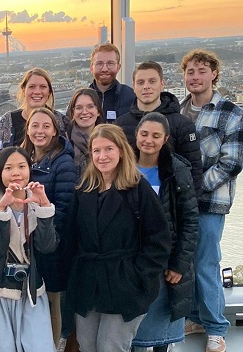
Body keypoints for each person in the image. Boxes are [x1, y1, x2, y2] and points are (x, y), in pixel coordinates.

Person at [65, 124, 171, 352]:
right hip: (88, 282)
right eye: (96, 150)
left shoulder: (138, 188)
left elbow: (159, 239)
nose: (102, 156)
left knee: (111, 346)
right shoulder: (84, 189)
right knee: (87, 345)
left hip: (125, 283)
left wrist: (138, 275)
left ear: (121, 151)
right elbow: (71, 238)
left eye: (108, 149)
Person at [179, 49, 243, 352]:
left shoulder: (231, 112)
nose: (195, 77)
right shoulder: (178, 111)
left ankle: (217, 328)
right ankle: (195, 318)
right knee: (187, 263)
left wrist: (192, 187)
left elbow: (231, 164)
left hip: (209, 203)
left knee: (205, 263)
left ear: (214, 74)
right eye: (190, 72)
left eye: (202, 71)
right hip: (181, 203)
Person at [0, 146, 59, 352]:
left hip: (31, 291)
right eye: (8, 167)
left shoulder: (37, 202)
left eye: (22, 166)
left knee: (39, 347)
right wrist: (1, 210)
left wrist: (45, 208)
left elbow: (47, 247)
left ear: (30, 169)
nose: (16, 172)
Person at [131, 113, 198, 352]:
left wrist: (179, 264)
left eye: (156, 135)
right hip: (134, 263)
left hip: (166, 264)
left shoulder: (177, 170)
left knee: (162, 338)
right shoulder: (123, 166)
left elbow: (190, 220)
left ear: (165, 138)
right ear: (136, 134)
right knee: (133, 336)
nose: (149, 140)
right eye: (144, 134)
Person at [21, 107, 78, 346]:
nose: (40, 131)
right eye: (35, 125)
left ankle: (56, 345)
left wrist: (48, 240)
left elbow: (63, 212)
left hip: (52, 248)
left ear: (55, 130)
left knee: (52, 305)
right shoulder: (23, 157)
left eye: (46, 126)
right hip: (28, 249)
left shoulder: (63, 163)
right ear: (27, 129)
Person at [115, 61, 202, 192]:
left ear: (162, 84)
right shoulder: (120, 125)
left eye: (152, 81)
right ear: (133, 86)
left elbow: (193, 172)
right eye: (140, 82)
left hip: (170, 204)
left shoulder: (182, 124)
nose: (146, 87)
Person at [0, 68, 69, 154]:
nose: (37, 92)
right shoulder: (8, 121)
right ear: (24, 90)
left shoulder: (62, 121)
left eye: (43, 87)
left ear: (49, 92)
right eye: (32, 87)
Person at [88, 43, 135, 122]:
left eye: (110, 63)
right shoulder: (81, 100)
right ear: (91, 68)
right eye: (99, 64)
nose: (105, 69)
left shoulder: (132, 97)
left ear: (118, 67)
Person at [66, 88, 104, 175]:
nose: (84, 112)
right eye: (79, 108)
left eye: (90, 107)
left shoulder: (110, 139)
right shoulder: (65, 142)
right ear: (73, 112)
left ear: (98, 111)